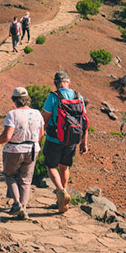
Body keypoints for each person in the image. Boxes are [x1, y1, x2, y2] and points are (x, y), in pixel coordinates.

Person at [0, 87, 45, 220]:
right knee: (26, 180)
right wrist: (33, 143)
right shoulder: (37, 113)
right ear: (27, 99)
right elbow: (41, 133)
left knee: (10, 175)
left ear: (15, 100)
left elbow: (7, 136)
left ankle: (16, 203)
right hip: (32, 149)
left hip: (14, 150)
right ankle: (24, 209)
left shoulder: (13, 114)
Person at [41, 71, 89, 214]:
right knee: (64, 166)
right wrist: (84, 143)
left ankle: (61, 192)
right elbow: (84, 122)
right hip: (72, 140)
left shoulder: (54, 96)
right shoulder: (78, 96)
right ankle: (61, 199)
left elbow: (45, 119)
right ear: (69, 82)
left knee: (51, 167)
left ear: (56, 83)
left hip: (54, 139)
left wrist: (38, 136)